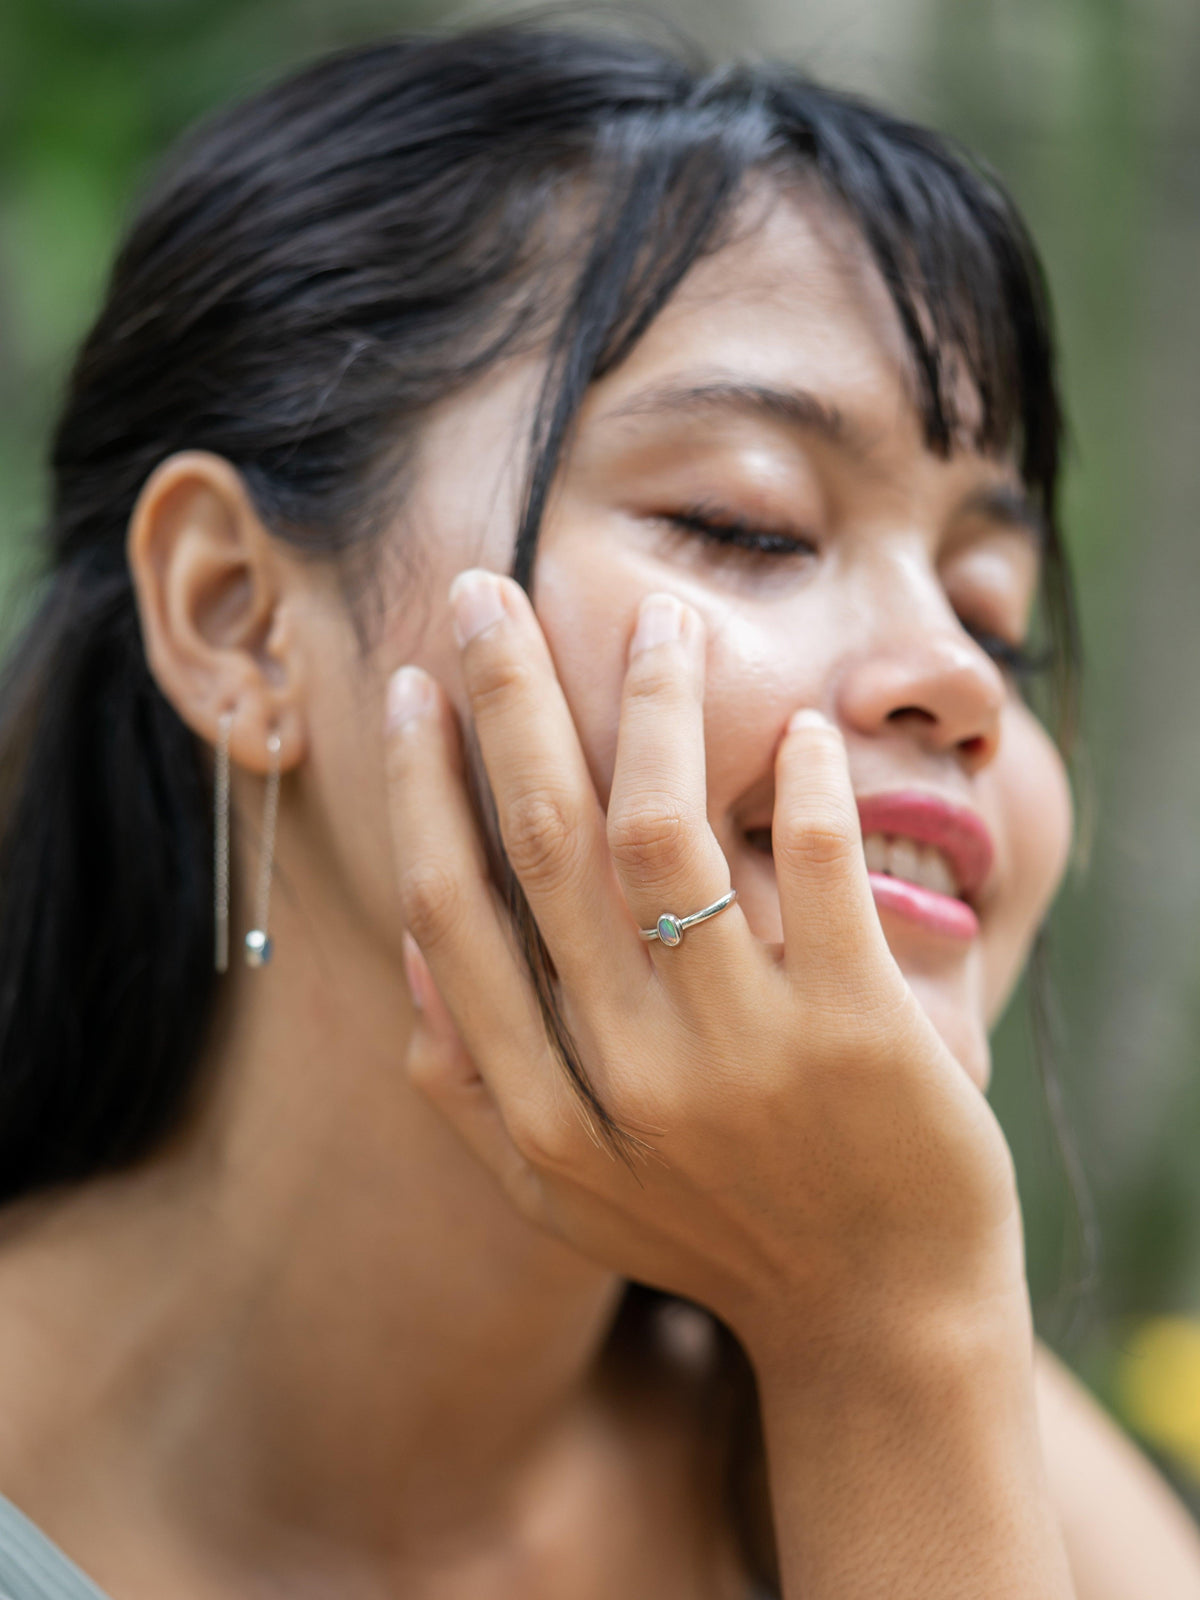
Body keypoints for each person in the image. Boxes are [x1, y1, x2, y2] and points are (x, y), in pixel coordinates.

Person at [0, 17, 1197, 1599]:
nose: (962, 681)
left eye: (996, 609)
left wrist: (883, 1344)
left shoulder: (958, 1411)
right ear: (235, 618)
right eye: (745, 521)